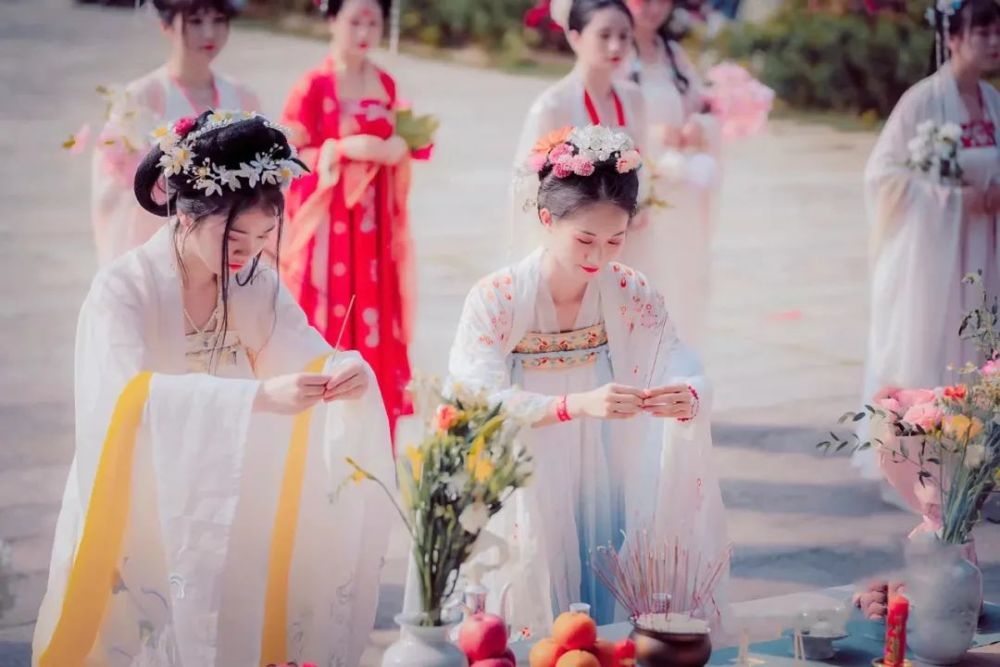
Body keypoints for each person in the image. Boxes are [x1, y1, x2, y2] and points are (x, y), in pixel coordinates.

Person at [33, 111, 393, 667]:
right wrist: (256, 398)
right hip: (144, 502)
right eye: (233, 234)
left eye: (262, 236)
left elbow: (298, 344)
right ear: (185, 213)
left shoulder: (253, 282)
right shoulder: (122, 292)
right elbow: (123, 399)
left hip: (229, 490)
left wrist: (342, 370)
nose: (247, 252)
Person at [450, 125, 728, 635]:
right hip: (527, 461)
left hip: (603, 455)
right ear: (544, 219)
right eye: (584, 239)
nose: (598, 256)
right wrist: (573, 405)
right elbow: (478, 396)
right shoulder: (496, 298)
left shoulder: (629, 289)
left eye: (614, 240)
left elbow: (676, 357)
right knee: (533, 572)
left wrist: (686, 394)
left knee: (602, 558)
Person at [855, 0, 1000, 483]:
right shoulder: (921, 100)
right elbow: (882, 176)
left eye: (999, 31)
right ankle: (922, 467)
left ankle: (977, 457)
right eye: (983, 31)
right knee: (933, 345)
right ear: (953, 37)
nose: (994, 41)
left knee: (981, 350)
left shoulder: (994, 101)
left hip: (986, 248)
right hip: (934, 257)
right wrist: (954, 200)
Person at [280, 0, 418, 442]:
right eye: (354, 20)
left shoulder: (386, 83)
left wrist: (399, 149)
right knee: (326, 325)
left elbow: (408, 141)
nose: (364, 31)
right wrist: (340, 150)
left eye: (372, 21)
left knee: (376, 321)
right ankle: (316, 444)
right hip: (327, 234)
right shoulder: (313, 86)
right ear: (332, 20)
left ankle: (374, 441)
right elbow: (287, 160)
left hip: (375, 234)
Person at [90, 0, 260, 266]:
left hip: (227, 248)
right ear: (166, 24)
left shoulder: (242, 97)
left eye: (218, 20)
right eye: (195, 22)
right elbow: (113, 190)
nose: (209, 33)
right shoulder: (141, 97)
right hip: (157, 245)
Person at [510, 0, 647, 258]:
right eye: (604, 35)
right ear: (575, 38)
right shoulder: (552, 106)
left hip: (629, 237)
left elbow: (646, 162)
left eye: (624, 36)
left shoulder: (635, 99)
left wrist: (643, 205)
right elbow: (529, 185)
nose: (616, 46)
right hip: (575, 244)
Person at [623, 0, 721, 346]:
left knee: (677, 285)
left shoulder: (674, 54)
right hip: (638, 187)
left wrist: (700, 128)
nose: (652, 7)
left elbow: (701, 106)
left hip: (678, 190)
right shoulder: (614, 50)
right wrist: (650, 135)